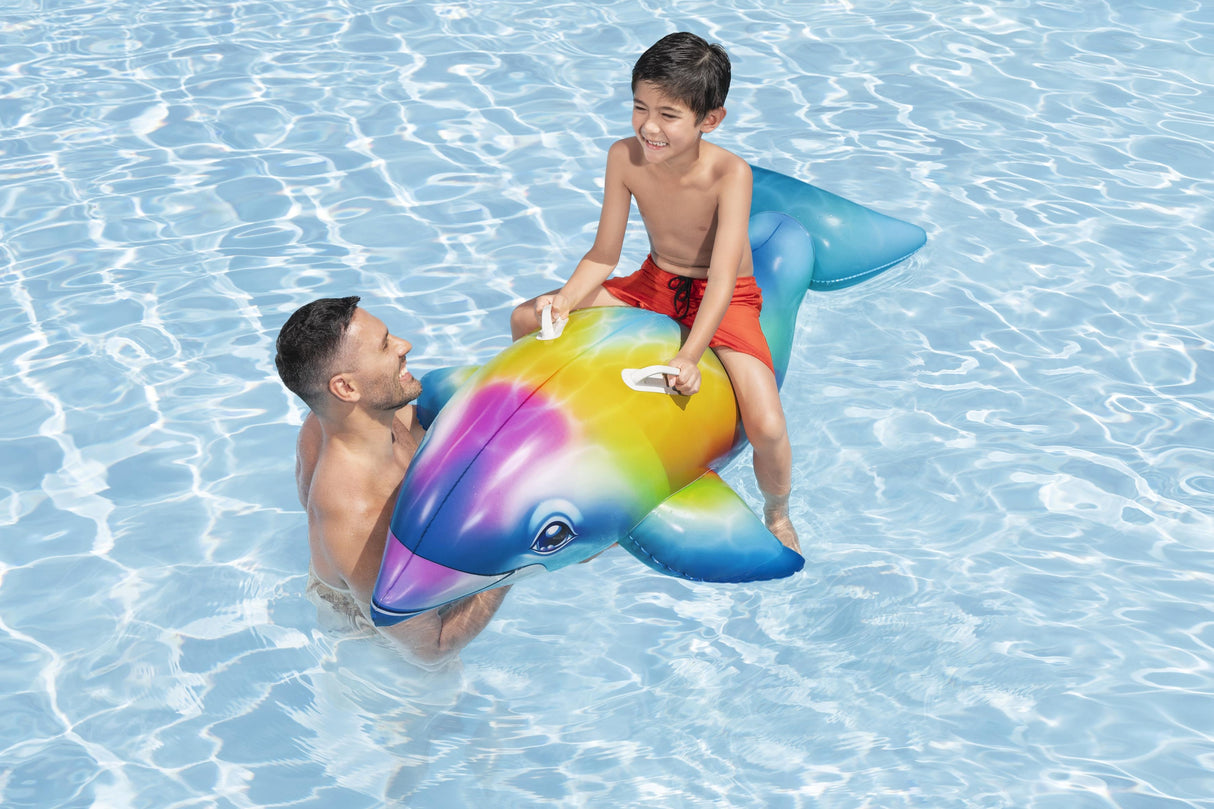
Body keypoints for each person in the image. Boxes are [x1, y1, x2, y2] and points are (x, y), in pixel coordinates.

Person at [509, 32, 799, 552]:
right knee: (526, 317)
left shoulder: (730, 174)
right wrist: (566, 301)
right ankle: (524, 430)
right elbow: (603, 255)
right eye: (640, 107)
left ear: (710, 120)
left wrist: (690, 356)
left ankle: (776, 512)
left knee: (770, 427)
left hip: (725, 295)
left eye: (669, 114)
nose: (649, 126)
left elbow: (724, 277)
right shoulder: (624, 156)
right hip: (653, 282)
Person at [276, 296, 509, 667]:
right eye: (385, 344)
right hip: (372, 635)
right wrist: (508, 560)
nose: (405, 346)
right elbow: (430, 648)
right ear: (346, 388)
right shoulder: (359, 515)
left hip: (357, 573)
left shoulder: (346, 419)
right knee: (434, 705)